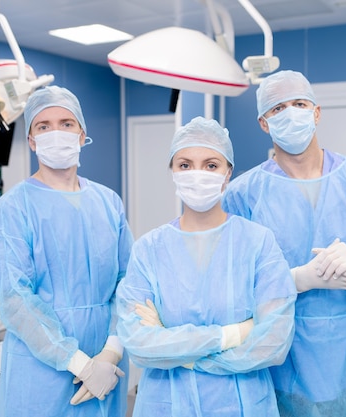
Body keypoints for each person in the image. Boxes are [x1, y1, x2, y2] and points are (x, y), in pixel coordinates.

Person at [222, 70, 346, 417]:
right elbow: (228, 286)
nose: (291, 113)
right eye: (278, 108)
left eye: (299, 103)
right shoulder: (243, 194)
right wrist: (295, 280)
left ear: (316, 113)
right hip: (281, 351)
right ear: (264, 123)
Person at [115, 116, 297, 417]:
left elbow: (273, 342)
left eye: (211, 165)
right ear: (172, 171)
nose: (197, 174)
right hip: (166, 405)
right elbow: (138, 344)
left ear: (228, 174)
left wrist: (178, 351)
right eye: (185, 165)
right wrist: (231, 336)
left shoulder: (258, 243)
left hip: (241, 405)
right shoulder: (148, 249)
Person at [0, 86, 133, 417]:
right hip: (43, 365)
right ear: (32, 141)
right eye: (43, 126)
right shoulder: (13, 210)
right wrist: (79, 363)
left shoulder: (108, 202)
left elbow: (130, 282)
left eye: (67, 123)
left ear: (82, 135)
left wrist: (111, 352)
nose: (56, 133)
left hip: (108, 359)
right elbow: (16, 299)